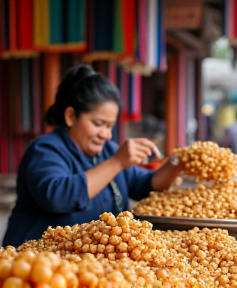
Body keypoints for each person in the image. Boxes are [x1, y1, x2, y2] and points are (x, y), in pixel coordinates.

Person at [3, 64, 182, 247]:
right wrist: (117, 162)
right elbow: (58, 197)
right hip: (34, 262)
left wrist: (179, 162)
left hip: (87, 265)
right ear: (71, 116)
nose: (106, 134)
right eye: (98, 124)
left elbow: (148, 186)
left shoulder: (108, 151)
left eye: (110, 126)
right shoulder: (45, 149)